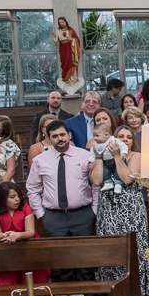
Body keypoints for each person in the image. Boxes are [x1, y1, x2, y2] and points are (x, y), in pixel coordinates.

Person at [26, 120, 98, 280]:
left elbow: (96, 184)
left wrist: (94, 209)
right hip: (54, 217)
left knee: (85, 260)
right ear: (49, 138)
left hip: (83, 214)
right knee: (63, 262)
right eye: (55, 136)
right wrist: (40, 214)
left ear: (69, 135)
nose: (60, 138)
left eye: (62, 134)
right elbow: (32, 188)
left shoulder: (85, 155)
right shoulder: (40, 160)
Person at [89, 125, 149, 293]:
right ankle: (113, 294)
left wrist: (117, 156)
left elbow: (126, 178)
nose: (124, 140)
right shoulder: (103, 154)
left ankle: (137, 292)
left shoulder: (136, 156)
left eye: (128, 137)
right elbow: (96, 180)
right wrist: (100, 157)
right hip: (108, 208)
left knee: (133, 250)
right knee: (110, 250)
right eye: (121, 136)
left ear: (132, 141)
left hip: (130, 209)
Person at [0, 181, 49, 290]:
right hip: (6, 246)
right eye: (12, 197)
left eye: (18, 196)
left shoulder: (25, 208)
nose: (17, 199)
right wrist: (9, 236)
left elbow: (30, 232)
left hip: (27, 245)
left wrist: (17, 235)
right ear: (3, 198)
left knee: (29, 278)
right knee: (5, 280)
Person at [52, 16, 80, 87]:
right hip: (63, 49)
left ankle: (73, 79)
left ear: (65, 22)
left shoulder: (71, 30)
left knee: (72, 62)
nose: (61, 23)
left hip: (71, 49)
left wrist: (72, 39)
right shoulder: (58, 31)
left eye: (62, 22)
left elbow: (77, 39)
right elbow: (56, 41)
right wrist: (55, 36)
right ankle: (67, 80)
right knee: (65, 63)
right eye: (60, 22)